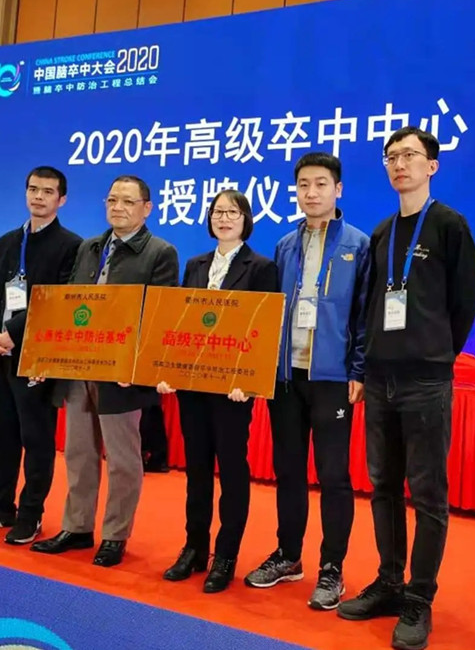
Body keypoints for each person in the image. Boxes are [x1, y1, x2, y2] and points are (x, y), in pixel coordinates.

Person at [337, 126, 475, 650]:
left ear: (432, 165)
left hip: (425, 379)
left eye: (410, 156)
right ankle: (390, 583)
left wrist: (434, 351)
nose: (399, 164)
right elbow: (370, 303)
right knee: (382, 486)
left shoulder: (449, 225)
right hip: (379, 378)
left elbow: (463, 303)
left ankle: (419, 597)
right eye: (391, 156)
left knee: (428, 493)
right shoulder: (381, 233)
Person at [30, 175, 179, 567]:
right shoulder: (90, 247)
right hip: (80, 365)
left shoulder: (160, 252)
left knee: (123, 459)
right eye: (112, 200)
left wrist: (137, 365)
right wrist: (52, 356)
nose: (118, 208)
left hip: (122, 372)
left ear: (147, 208)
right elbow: (69, 303)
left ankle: (115, 534)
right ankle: (77, 527)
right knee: (79, 453)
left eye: (128, 201)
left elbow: (159, 314)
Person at [245, 152, 370, 611]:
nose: (311, 192)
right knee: (289, 470)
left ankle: (332, 568)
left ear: (338, 190)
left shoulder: (358, 244)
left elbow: (364, 313)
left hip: (332, 377)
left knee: (334, 474)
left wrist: (359, 369)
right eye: (303, 185)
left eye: (320, 184)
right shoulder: (284, 245)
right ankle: (288, 555)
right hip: (286, 376)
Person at [0, 166, 82, 545]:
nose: (38, 197)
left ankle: (30, 514)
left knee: (36, 439)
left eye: (47, 191)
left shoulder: (71, 246)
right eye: (33, 189)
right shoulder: (8, 241)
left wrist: (12, 333)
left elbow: (58, 302)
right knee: (1, 435)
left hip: (35, 357)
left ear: (62, 199)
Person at [159, 190, 278, 593]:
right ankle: (194, 547)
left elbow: (264, 327)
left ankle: (225, 555)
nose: (224, 218)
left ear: (246, 219)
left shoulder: (261, 267)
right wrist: (170, 370)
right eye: (217, 212)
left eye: (232, 212)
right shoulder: (195, 264)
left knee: (231, 470)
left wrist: (249, 379)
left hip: (233, 389)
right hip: (193, 384)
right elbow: (181, 321)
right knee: (196, 470)